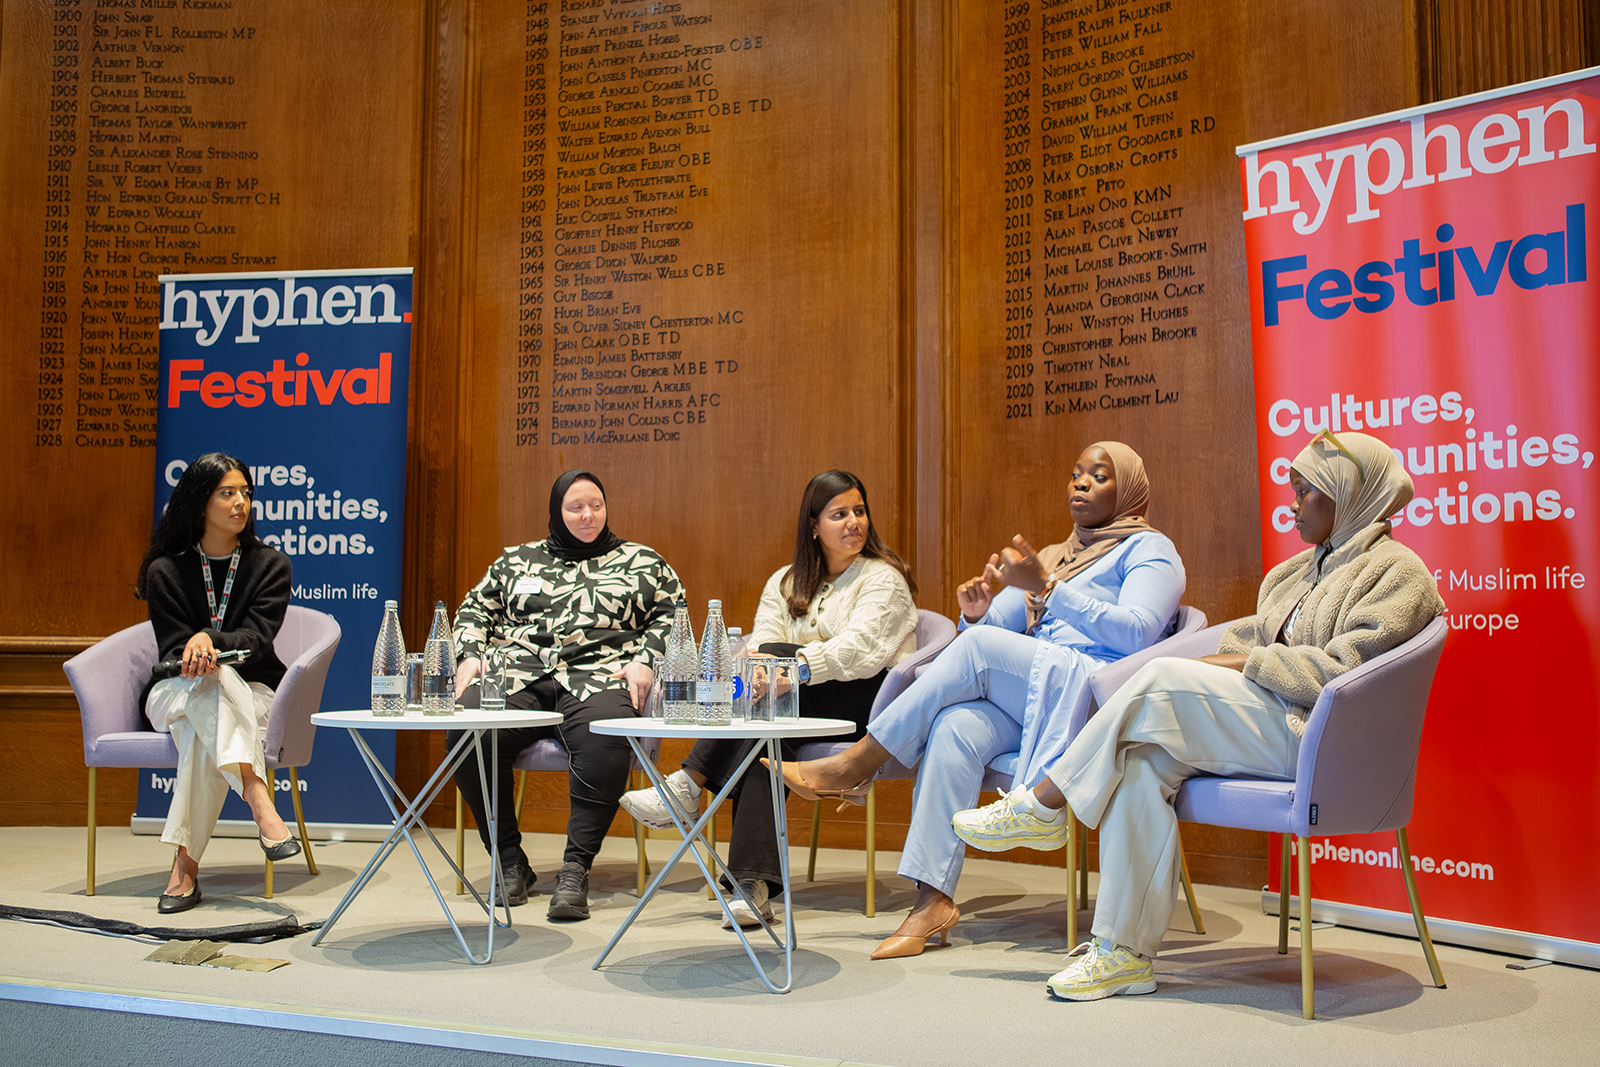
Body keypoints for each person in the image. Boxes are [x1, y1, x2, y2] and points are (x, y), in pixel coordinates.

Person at [950, 430, 1444, 1001]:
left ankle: (1043, 803)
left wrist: (1244, 661)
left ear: (1349, 495)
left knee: (1161, 678)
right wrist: (1224, 657)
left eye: (1306, 492)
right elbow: (1245, 635)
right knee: (1138, 763)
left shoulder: (1399, 573)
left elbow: (1344, 670)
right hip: (1260, 722)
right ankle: (1123, 954)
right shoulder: (1292, 574)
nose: (1292, 505)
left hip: (1316, 737)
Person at [785, 442, 1185, 958]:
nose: (1080, 483)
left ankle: (859, 761)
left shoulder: (1151, 551)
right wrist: (976, 614)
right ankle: (933, 900)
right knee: (955, 724)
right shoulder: (1057, 556)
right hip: (1036, 690)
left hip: (1098, 691)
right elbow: (996, 630)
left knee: (974, 653)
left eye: (1098, 476)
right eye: (1075, 473)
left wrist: (1048, 589)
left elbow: (1137, 633)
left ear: (1128, 489)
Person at [618, 470, 918, 927]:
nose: (854, 522)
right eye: (840, 514)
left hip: (866, 703)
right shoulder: (786, 580)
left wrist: (788, 668)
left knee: (771, 674)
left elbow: (860, 652)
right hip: (798, 702)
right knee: (765, 737)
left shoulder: (883, 579)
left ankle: (688, 783)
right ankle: (751, 888)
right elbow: (762, 643)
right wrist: (768, 670)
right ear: (814, 525)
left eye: (859, 511)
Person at [450, 469, 684, 921]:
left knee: (605, 738)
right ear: (557, 511)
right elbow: (473, 610)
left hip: (599, 675)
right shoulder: (516, 561)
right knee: (469, 733)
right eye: (575, 507)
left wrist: (646, 660)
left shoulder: (643, 561)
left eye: (595, 505)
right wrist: (469, 655)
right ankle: (509, 859)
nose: (587, 515)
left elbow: (673, 613)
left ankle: (576, 868)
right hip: (519, 674)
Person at [136, 452, 298, 914]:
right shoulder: (166, 569)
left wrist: (211, 640)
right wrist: (195, 652)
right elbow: (171, 646)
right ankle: (257, 795)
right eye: (227, 493)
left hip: (251, 691)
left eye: (246, 493)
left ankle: (184, 869)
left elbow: (257, 640)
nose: (240, 503)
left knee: (203, 721)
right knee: (206, 692)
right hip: (174, 688)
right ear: (199, 502)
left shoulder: (270, 565)